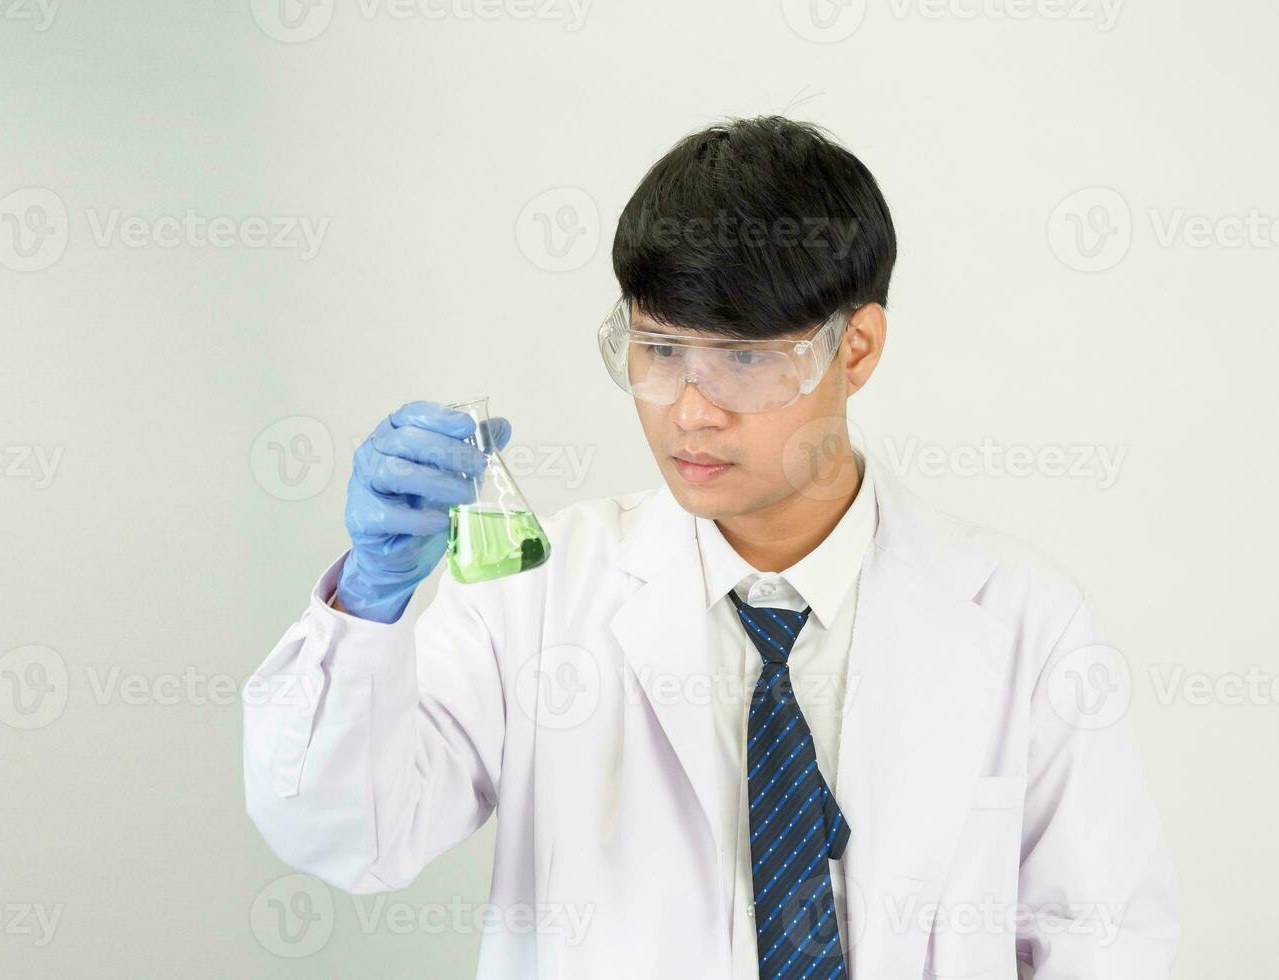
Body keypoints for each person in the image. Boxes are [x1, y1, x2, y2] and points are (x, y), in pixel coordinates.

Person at [242, 115, 1179, 979]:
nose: (691, 410)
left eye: (743, 358)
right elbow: (347, 833)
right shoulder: (538, 597)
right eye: (658, 353)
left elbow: (1103, 940)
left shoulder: (1022, 620)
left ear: (856, 349)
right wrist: (368, 603)